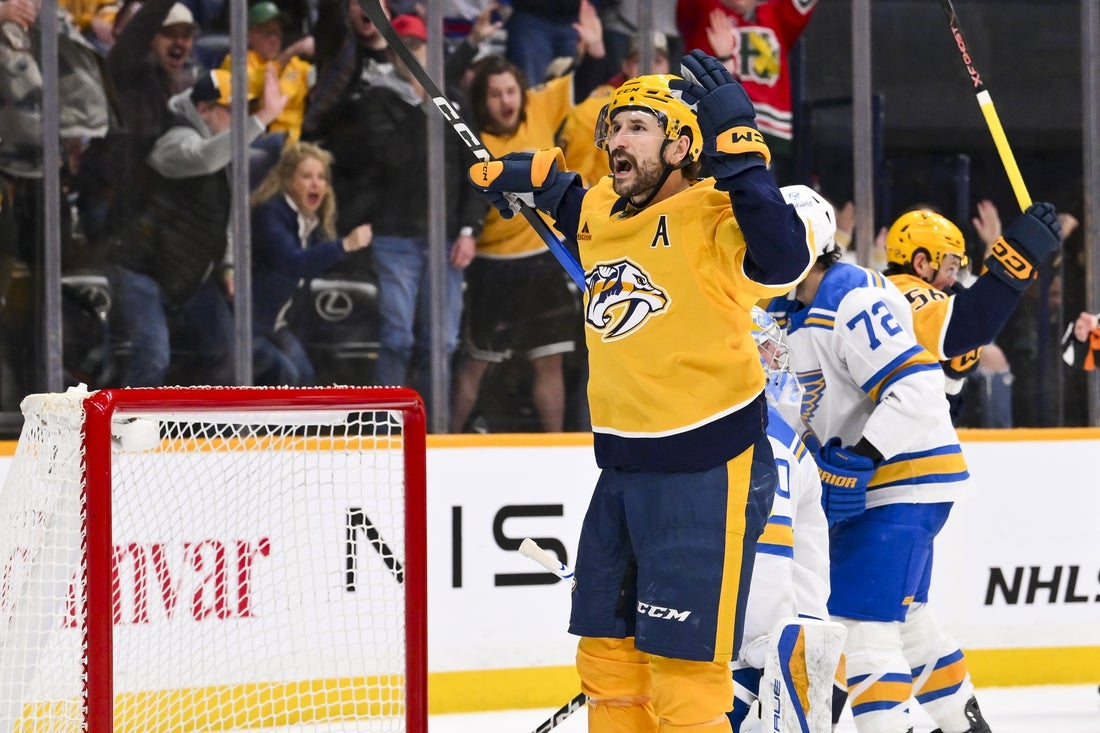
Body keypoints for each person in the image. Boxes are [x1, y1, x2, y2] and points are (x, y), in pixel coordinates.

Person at [468, 51, 814, 732]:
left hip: (707, 469)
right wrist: (534, 179)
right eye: (613, 127)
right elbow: (575, 204)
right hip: (623, 469)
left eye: (636, 128)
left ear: (681, 145)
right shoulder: (603, 206)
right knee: (608, 665)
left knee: (685, 683)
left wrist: (744, 150)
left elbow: (785, 259)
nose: (616, 141)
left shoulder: (714, 213)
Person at [764, 187, 1057, 733]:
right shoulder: (782, 308)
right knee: (908, 621)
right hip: (888, 483)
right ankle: (964, 723)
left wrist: (861, 457)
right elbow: (797, 404)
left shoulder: (854, 293)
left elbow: (922, 386)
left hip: (899, 478)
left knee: (860, 628)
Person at [449, 3, 606, 433]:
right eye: (495, 94)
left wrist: (594, 49)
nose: (506, 101)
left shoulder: (538, 106)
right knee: (476, 363)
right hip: (491, 266)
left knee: (549, 361)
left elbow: (584, 82)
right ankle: (446, 439)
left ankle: (555, 446)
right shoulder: (471, 137)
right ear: (482, 99)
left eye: (510, 91)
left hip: (541, 258)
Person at [344, 13, 484, 422]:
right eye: (401, 48)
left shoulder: (453, 102)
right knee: (397, 338)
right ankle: (386, 424)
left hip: (446, 239)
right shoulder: (377, 100)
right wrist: (424, 105)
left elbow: (477, 170)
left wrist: (469, 230)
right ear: (391, 55)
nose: (409, 54)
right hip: (396, 238)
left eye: (416, 46)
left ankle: (434, 428)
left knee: (442, 343)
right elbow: (393, 159)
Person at [109, 67, 286, 387]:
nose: (238, 120)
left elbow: (227, 215)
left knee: (231, 356)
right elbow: (203, 158)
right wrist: (261, 119)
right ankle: (126, 419)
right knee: (153, 356)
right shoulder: (173, 138)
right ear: (203, 109)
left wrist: (228, 264)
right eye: (231, 111)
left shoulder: (223, 150)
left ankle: (200, 416)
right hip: (144, 272)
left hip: (190, 276)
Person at [729, 306, 838, 733]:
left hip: (752, 660)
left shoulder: (760, 435)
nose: (777, 359)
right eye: (767, 349)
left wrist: (765, 647)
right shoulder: (775, 437)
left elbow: (769, 555)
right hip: (776, 654)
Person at [881, 205, 1062, 425]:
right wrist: (1021, 252)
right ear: (921, 263)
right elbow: (970, 324)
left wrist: (951, 380)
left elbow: (942, 410)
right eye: (950, 268)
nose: (953, 279)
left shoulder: (895, 292)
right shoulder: (901, 292)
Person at [249, 141, 372, 386]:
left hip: (275, 324)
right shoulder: (271, 214)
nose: (316, 184)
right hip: (247, 323)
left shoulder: (311, 223)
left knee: (304, 375)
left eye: (321, 177)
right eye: (306, 176)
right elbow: (292, 262)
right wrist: (344, 245)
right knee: (288, 374)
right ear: (288, 181)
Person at [676, 0, 818, 184]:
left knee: (763, 195)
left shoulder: (776, 15)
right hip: (712, 135)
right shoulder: (705, 11)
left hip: (769, 137)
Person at [556, 32, 671, 187]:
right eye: (639, 61)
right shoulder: (599, 106)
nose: (649, 68)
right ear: (626, 66)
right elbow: (576, 174)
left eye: (657, 61)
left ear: (668, 67)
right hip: (610, 197)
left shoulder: (680, 108)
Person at [219, 1, 314, 144]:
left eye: (277, 33)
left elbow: (321, 81)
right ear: (250, 36)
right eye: (267, 33)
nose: (274, 40)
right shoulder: (237, 61)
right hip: (261, 142)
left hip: (298, 143)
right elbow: (250, 85)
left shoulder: (296, 65)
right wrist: (289, 53)